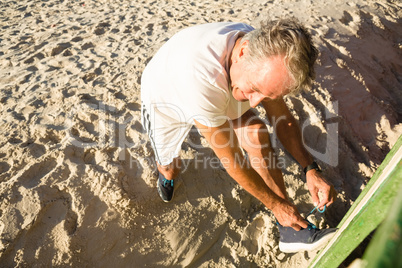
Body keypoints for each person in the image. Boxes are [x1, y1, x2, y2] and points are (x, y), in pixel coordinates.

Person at [140, 18, 338, 253]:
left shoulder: (264, 55)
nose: (254, 102)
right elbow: (231, 159)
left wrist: (310, 168)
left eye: (265, 95)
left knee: (256, 132)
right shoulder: (201, 77)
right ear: (243, 52)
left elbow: (281, 119)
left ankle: (288, 230)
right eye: (255, 89)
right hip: (165, 98)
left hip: (220, 83)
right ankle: (166, 173)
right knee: (169, 165)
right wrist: (275, 205)